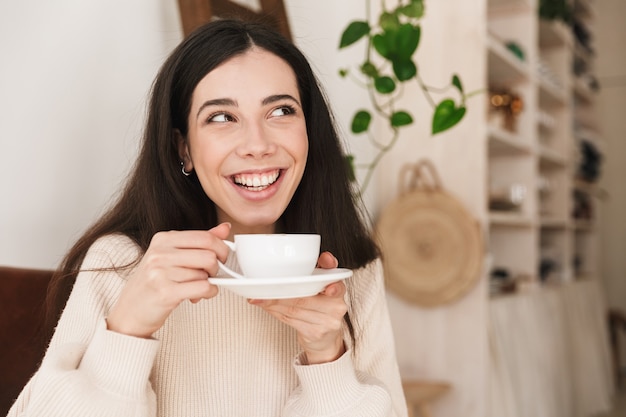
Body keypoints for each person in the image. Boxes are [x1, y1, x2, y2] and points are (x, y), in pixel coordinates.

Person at [8, 18, 408, 417]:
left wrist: (327, 359)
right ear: (184, 148)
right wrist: (127, 329)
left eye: (281, 111)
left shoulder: (353, 272)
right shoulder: (123, 263)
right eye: (221, 117)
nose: (258, 145)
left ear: (309, 131)